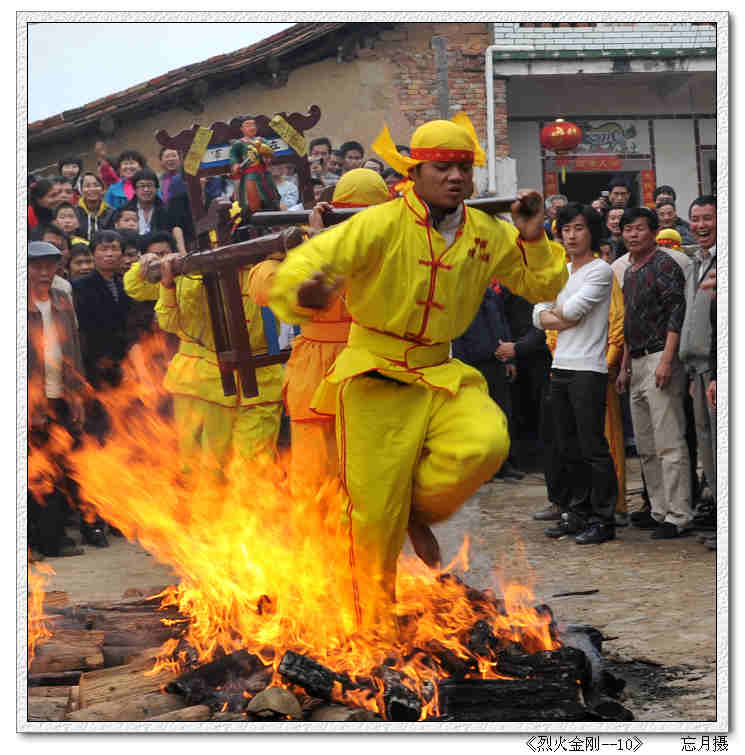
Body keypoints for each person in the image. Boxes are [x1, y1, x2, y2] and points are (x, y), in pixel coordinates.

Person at [269, 115, 568, 627]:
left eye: (463, 168)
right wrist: (307, 290)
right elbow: (303, 270)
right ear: (415, 174)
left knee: (486, 441)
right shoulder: (377, 224)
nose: (455, 177)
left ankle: (407, 505)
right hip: (374, 376)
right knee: (371, 523)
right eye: (442, 167)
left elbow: (540, 286)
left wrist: (534, 238)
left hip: (440, 369)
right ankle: (369, 626)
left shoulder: (487, 233)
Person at [249, 169, 390, 497]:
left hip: (355, 368)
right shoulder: (399, 245)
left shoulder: (391, 250)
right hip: (355, 371)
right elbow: (264, 287)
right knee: (349, 484)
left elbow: (267, 285)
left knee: (335, 484)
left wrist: (311, 245)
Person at [154, 240, 283, 477]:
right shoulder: (194, 272)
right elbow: (139, 289)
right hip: (205, 384)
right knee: (207, 470)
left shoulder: (270, 271)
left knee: (254, 470)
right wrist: (163, 277)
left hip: (263, 380)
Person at [532, 204, 617, 544]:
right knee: (566, 447)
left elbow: (572, 312)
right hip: (560, 366)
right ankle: (577, 512)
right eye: (565, 228)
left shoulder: (601, 270)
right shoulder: (558, 271)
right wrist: (557, 316)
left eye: (579, 227)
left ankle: (603, 518)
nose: (571, 234)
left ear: (591, 232)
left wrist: (555, 314)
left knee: (592, 446)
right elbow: (537, 312)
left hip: (588, 369)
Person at [616, 207, 692, 538]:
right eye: (627, 230)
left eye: (639, 229)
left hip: (661, 356)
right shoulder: (629, 271)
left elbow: (677, 313)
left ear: (653, 232)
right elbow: (627, 323)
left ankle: (679, 513)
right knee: (646, 444)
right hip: (634, 361)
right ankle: (659, 509)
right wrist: (623, 367)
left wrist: (667, 361)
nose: (633, 235)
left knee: (669, 440)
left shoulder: (665, 265)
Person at [27, 241, 88, 557]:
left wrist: (76, 394)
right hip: (27, 402)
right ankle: (27, 544)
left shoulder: (63, 300)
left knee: (59, 469)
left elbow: (74, 350)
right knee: (28, 473)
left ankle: (54, 539)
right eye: (36, 266)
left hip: (59, 398)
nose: (44, 272)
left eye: (49, 266)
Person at [453, 281, 524, 481]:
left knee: (502, 414)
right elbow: (455, 335)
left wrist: (510, 360)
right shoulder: (458, 295)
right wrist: (462, 368)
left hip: (496, 362)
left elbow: (503, 326)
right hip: (472, 364)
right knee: (477, 418)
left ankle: (504, 463)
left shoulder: (491, 295)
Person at [680, 196, 717, 519]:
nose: (700, 226)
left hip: (717, 367)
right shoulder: (695, 263)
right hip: (698, 370)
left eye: (708, 218)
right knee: (707, 447)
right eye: (696, 219)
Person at [229, 116, 281, 212]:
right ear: (242, 129)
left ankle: (273, 209)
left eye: (253, 124)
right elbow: (233, 157)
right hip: (250, 175)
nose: (252, 127)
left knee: (271, 197)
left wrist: (267, 157)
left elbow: (270, 154)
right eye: (248, 125)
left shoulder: (262, 141)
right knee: (253, 200)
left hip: (264, 173)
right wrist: (235, 165)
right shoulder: (239, 144)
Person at [124, 168, 172, 236]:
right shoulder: (125, 210)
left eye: (149, 185)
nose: (146, 189)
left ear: (156, 188)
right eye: (142, 186)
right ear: (134, 189)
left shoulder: (167, 211)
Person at [76, 172, 116, 241]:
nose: (92, 189)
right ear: (81, 190)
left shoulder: (112, 212)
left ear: (102, 189)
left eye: (96, 185)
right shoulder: (74, 212)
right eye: (87, 186)